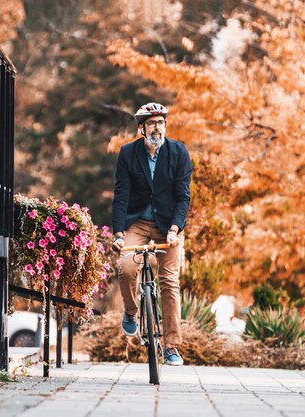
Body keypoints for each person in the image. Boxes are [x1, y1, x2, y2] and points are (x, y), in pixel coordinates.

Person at [112, 102, 192, 366]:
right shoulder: (128, 153)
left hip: (167, 225)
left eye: (161, 122)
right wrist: (119, 233)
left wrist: (174, 230)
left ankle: (171, 347)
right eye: (152, 123)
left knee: (169, 282)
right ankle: (132, 312)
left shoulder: (179, 153)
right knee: (125, 268)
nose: (157, 127)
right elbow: (121, 196)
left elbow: (183, 197)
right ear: (141, 128)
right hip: (137, 222)